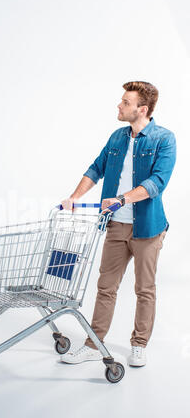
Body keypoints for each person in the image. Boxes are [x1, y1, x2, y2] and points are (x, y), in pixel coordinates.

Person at [60, 81, 176, 367]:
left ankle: (139, 345)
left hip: (147, 228)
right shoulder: (117, 137)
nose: (119, 105)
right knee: (105, 287)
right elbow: (96, 168)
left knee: (144, 289)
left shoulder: (164, 139)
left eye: (125, 102)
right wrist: (74, 197)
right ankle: (93, 343)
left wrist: (121, 200)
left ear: (142, 109)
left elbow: (156, 183)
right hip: (115, 226)